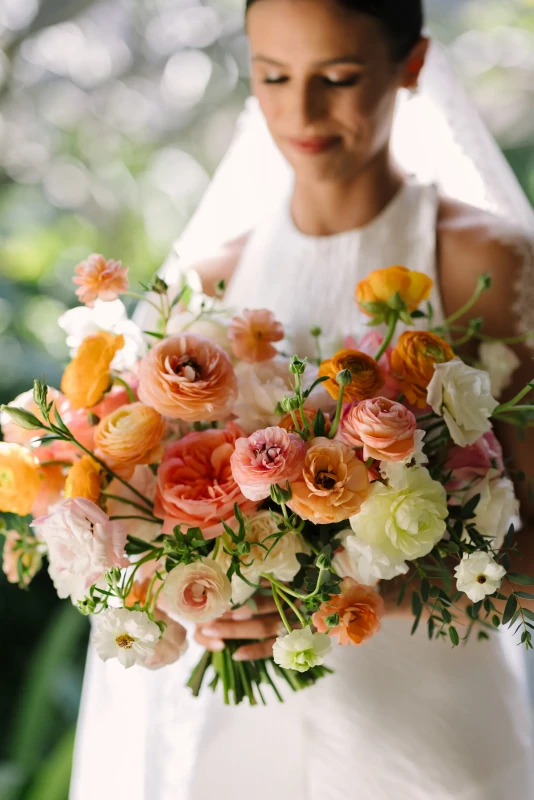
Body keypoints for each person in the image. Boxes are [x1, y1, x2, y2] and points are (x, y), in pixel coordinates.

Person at [70, 2, 534, 798]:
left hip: (427, 735)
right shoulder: (208, 287)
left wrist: (360, 593)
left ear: (412, 65)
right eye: (273, 76)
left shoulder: (481, 264)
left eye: (339, 78)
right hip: (232, 739)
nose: (301, 112)